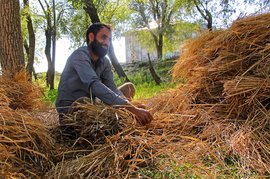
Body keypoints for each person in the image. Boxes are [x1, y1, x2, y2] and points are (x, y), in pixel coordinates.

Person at [55, 23, 153, 125]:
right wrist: (132, 109)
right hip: (72, 109)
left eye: (109, 40)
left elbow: (111, 87)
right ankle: (119, 114)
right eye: (104, 37)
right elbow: (94, 84)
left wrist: (130, 106)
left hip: (93, 104)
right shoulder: (79, 56)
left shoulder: (105, 62)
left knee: (129, 88)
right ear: (91, 37)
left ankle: (122, 114)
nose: (107, 43)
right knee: (84, 102)